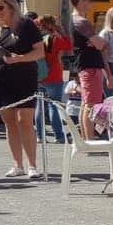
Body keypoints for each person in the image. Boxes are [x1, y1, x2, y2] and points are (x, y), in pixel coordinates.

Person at [0, 0, 44, 177]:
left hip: (24, 79)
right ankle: (17, 164)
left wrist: (19, 59)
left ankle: (32, 165)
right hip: (0, 82)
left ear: (11, 8)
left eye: (0, 8)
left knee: (24, 121)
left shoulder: (26, 25)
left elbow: (40, 51)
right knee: (10, 124)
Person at [70, 0, 107, 141]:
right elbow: (99, 44)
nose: (91, 3)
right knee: (91, 104)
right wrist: (101, 41)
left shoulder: (74, 20)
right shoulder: (81, 22)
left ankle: (86, 139)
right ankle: (90, 139)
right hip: (89, 64)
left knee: (86, 103)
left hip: (83, 63)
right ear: (80, 1)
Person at [34, 15, 71, 143]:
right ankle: (59, 135)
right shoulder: (53, 38)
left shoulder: (36, 39)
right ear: (50, 24)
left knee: (39, 106)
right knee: (53, 106)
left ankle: (39, 135)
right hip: (53, 75)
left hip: (39, 76)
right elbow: (68, 46)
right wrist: (62, 32)